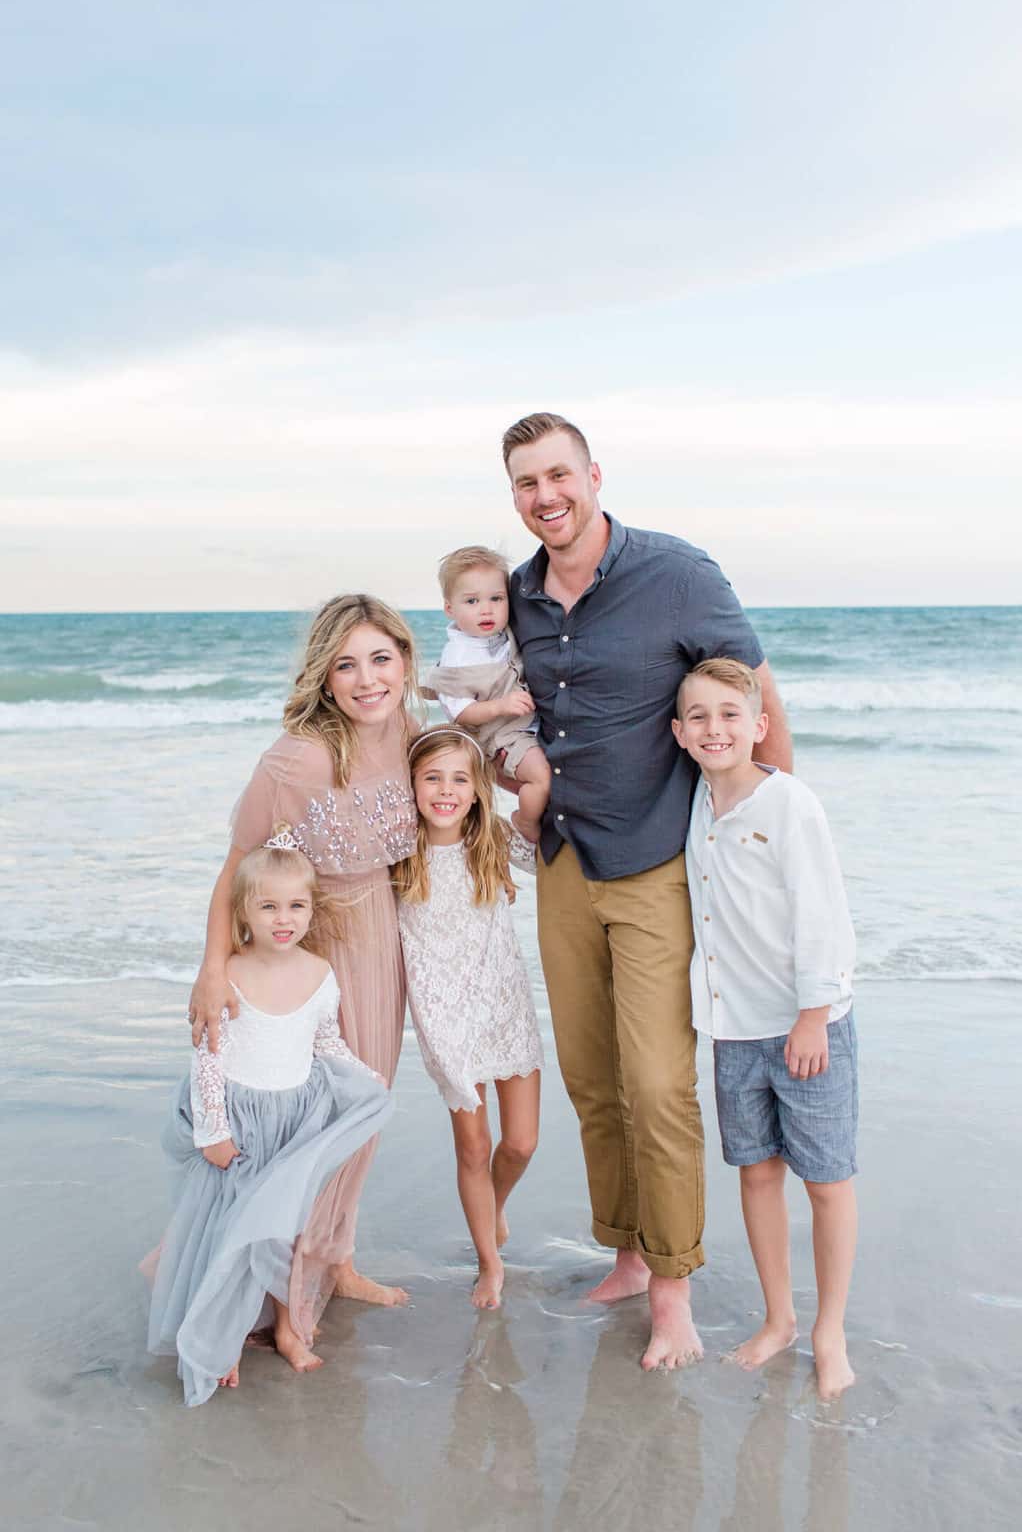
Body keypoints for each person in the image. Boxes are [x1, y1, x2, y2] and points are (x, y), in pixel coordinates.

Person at [504, 410, 792, 1371]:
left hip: (657, 864)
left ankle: (673, 1292)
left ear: (593, 474)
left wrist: (772, 830)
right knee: (592, 1079)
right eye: (525, 484)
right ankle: (625, 1253)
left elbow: (756, 693)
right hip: (560, 862)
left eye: (558, 475)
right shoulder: (518, 594)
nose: (546, 497)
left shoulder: (677, 573)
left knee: (661, 1084)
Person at [188, 594, 420, 1308]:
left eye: (380, 659)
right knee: (313, 1121)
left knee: (363, 1110)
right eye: (345, 665)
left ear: (406, 663)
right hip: (317, 957)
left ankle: (333, 1258)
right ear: (324, 678)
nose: (366, 679)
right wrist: (213, 970)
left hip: (387, 943)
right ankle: (266, 1280)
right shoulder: (297, 761)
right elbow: (237, 869)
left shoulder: (410, 731)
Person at [146, 831, 393, 1407]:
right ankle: (223, 1335)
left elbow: (325, 1040)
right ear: (245, 913)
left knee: (287, 1234)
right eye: (269, 906)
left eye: (297, 906)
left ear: (312, 908)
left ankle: (286, 1327)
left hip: (296, 1122)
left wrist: (365, 1075)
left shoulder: (318, 972)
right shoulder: (228, 975)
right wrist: (215, 1129)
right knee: (232, 1235)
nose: (284, 919)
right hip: (242, 1123)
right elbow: (208, 1057)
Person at [673, 658, 857, 1400]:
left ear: (759, 726)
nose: (715, 728)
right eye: (699, 716)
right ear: (679, 733)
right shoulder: (696, 801)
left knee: (827, 1181)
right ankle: (778, 1318)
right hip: (733, 1025)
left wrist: (813, 1014)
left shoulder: (788, 804)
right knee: (756, 1172)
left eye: (729, 714)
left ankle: (829, 1329)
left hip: (805, 1023)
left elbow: (822, 912)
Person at [394, 724, 542, 1310]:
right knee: (474, 1148)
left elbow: (552, 836)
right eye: (432, 777)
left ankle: (494, 1206)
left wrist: (525, 779)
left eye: (460, 778)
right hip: (443, 1014)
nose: (446, 790)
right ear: (411, 784)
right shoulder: (398, 856)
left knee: (522, 1143)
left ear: (480, 789)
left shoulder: (496, 845)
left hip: (503, 1002)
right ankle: (489, 1261)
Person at [420, 546, 551, 842]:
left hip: (526, 725)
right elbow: (462, 713)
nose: (486, 609)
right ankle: (525, 821)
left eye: (496, 598)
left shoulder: (502, 634)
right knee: (542, 777)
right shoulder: (457, 657)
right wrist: (500, 706)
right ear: (450, 609)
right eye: (472, 601)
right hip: (498, 736)